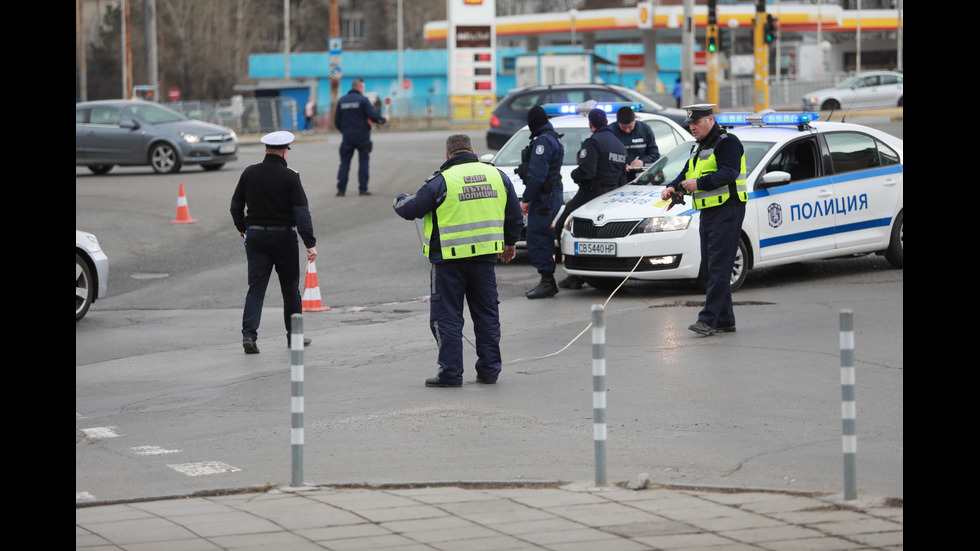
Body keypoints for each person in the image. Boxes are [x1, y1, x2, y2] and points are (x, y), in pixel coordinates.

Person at [393, 134, 523, 387]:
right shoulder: (497, 176)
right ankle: (489, 372)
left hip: (449, 262)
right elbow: (514, 214)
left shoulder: (441, 181)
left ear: (447, 154)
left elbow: (410, 209)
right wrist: (510, 243)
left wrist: (398, 198)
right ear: (472, 150)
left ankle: (451, 374)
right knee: (486, 315)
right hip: (485, 259)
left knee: (448, 317)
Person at [660, 104, 747, 336]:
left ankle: (707, 320)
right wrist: (673, 187)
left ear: (710, 119)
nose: (692, 127)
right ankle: (725, 320)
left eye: (696, 123)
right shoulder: (699, 147)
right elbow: (687, 172)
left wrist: (698, 185)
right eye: (690, 124)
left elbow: (729, 172)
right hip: (709, 212)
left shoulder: (727, 142)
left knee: (718, 268)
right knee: (712, 268)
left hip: (728, 210)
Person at [230, 131, 318, 354]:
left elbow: (235, 206)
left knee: (256, 288)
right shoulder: (290, 176)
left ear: (266, 150)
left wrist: (243, 228)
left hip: (256, 237)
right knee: (290, 290)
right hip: (283, 238)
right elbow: (302, 214)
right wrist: (310, 242)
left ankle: (249, 335)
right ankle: (294, 338)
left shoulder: (249, 173)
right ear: (285, 151)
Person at [555, 108, 627, 290]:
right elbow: (621, 176)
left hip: (590, 193)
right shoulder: (619, 145)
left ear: (591, 124)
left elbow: (587, 172)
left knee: (562, 226)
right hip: (611, 195)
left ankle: (576, 275)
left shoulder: (593, 142)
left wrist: (573, 174)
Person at [518, 106, 564, 299]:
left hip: (545, 196)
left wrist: (526, 199)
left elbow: (537, 175)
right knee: (543, 234)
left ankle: (547, 281)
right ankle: (547, 279)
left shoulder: (542, 141)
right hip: (550, 193)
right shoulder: (551, 136)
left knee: (538, 236)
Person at [334, 78, 387, 196]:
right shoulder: (363, 100)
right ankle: (363, 189)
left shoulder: (342, 101)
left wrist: (345, 131)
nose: (363, 90)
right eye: (363, 87)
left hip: (347, 137)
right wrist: (382, 120)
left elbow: (337, 121)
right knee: (363, 162)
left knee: (344, 163)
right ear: (359, 87)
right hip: (362, 137)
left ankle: (341, 190)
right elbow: (372, 115)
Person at [610, 105, 660, 176]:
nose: (627, 130)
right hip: (618, 177)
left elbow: (655, 154)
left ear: (635, 118)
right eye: (623, 128)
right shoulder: (610, 132)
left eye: (630, 127)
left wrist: (642, 161)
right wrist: (618, 165)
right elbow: (605, 157)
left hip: (641, 176)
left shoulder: (645, 129)